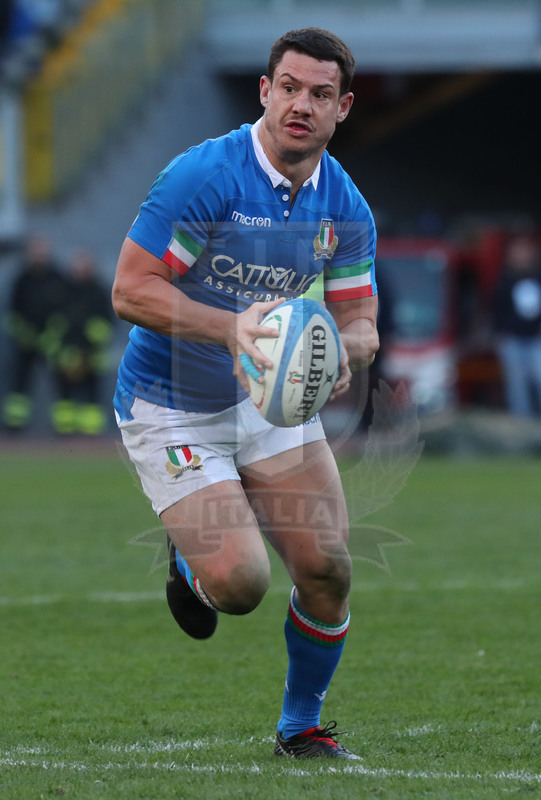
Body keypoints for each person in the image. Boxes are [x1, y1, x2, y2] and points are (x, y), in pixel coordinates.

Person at [112, 27, 379, 760]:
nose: (301, 104)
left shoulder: (345, 209)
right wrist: (234, 330)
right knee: (240, 586)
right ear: (264, 91)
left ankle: (302, 728)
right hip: (169, 402)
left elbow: (361, 322)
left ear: (342, 107)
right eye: (288, 87)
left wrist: (339, 352)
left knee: (327, 568)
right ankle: (190, 564)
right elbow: (131, 291)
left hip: (266, 402)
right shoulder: (206, 177)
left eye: (319, 94)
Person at [2, 234, 69, 432]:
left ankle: (64, 427)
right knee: (20, 383)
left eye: (41, 250)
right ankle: (15, 426)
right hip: (25, 342)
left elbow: (65, 310)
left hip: (52, 341)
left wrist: (52, 335)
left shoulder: (57, 277)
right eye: (35, 250)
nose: (38, 254)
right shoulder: (22, 279)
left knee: (60, 383)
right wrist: (25, 335)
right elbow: (13, 312)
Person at [53, 249, 114, 435]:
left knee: (92, 390)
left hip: (91, 351)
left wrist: (93, 339)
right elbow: (57, 319)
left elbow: (107, 320)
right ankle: (65, 429)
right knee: (64, 392)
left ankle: (91, 431)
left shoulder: (98, 290)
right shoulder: (64, 290)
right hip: (67, 350)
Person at [493, 234, 541, 418]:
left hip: (536, 338)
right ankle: (522, 426)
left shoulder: (537, 277)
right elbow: (497, 309)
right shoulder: (505, 279)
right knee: (517, 384)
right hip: (513, 338)